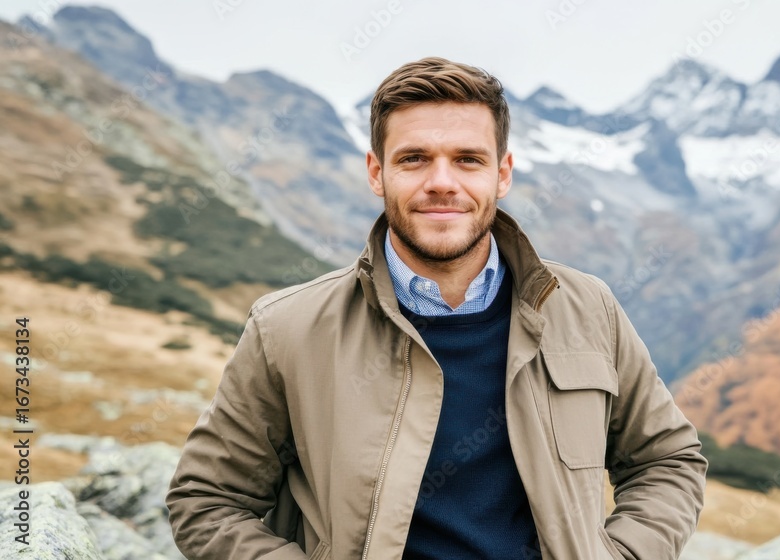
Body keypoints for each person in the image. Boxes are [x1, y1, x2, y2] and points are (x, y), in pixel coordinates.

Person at [166, 56, 707, 560]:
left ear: (503, 173)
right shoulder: (286, 329)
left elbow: (668, 460)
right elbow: (206, 500)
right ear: (377, 172)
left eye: (468, 160)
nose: (442, 183)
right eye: (414, 159)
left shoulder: (589, 308)